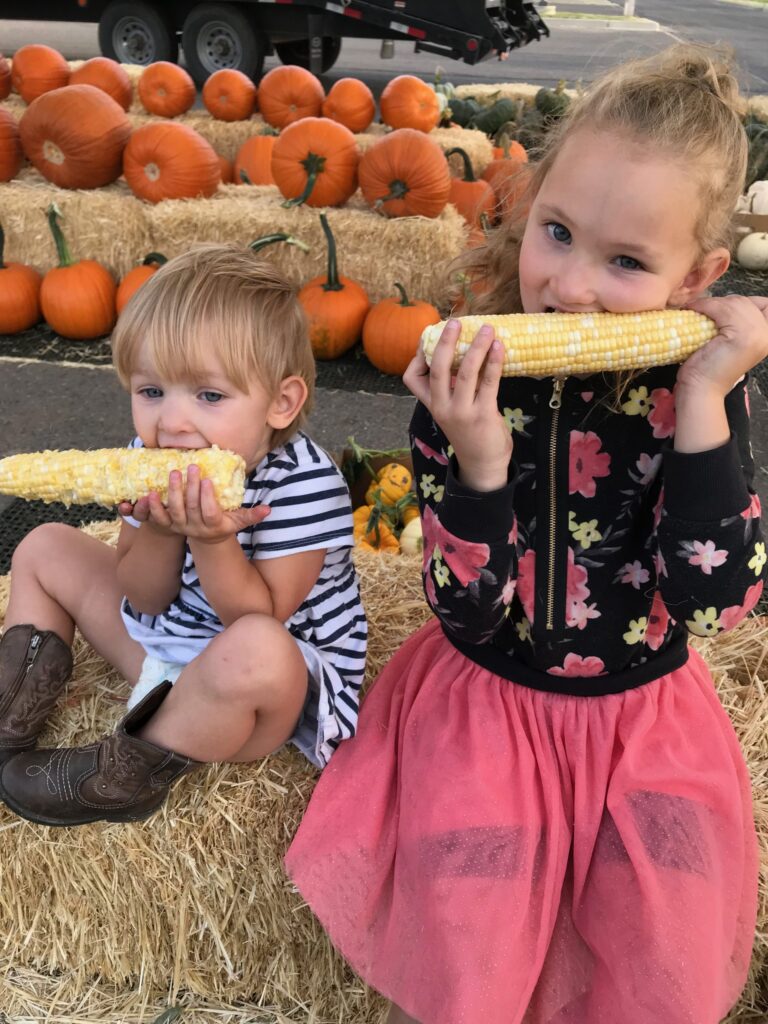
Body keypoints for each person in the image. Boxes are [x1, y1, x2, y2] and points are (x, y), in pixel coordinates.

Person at [284, 43, 768, 1024]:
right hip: (490, 710)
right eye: (559, 234)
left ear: (701, 273)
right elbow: (465, 605)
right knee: (474, 946)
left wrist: (711, 399)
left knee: (653, 948)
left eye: (627, 261)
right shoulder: (467, 387)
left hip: (640, 720)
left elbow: (720, 603)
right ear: (527, 206)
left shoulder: (695, 402)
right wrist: (478, 460)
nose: (574, 286)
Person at [0, 244, 367, 827]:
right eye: (151, 392)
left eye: (209, 396)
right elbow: (143, 597)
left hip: (260, 696)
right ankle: (10, 720)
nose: (171, 423)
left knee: (258, 652)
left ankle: (118, 775)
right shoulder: (151, 453)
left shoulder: (305, 485)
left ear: (280, 402)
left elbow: (259, 617)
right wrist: (162, 531)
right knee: (44, 544)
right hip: (167, 645)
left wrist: (214, 541)